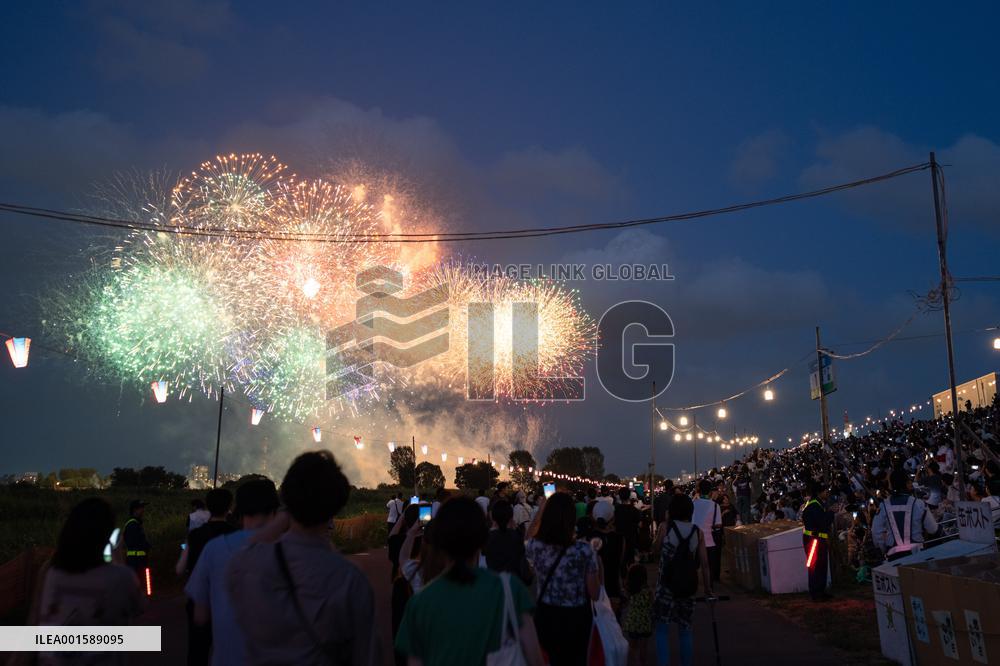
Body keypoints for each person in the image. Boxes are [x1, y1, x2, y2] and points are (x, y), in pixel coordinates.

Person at [227, 451, 377, 665]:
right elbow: (367, 656)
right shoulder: (349, 580)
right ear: (337, 504)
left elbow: (249, 547)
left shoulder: (246, 564)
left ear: (285, 499)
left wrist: (288, 510)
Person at [396, 496, 544, 666]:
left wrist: (412, 532)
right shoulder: (510, 589)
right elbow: (535, 659)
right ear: (483, 538)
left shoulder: (418, 604)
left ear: (439, 539)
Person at [36, 497, 144, 663]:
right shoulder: (120, 577)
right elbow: (139, 607)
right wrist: (117, 554)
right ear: (106, 535)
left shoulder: (51, 572)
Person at [186, 480, 278, 666]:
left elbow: (200, 615)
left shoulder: (214, 548)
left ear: (238, 510)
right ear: (275, 511)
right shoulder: (289, 551)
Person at [525, 492, 600, 666]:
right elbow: (595, 593)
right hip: (576, 617)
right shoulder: (584, 550)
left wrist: (541, 510)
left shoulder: (537, 547)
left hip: (546, 615)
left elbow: (527, 537)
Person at [653, 494, 711, 666]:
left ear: (671, 510)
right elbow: (705, 563)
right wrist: (707, 588)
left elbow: (655, 550)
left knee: (662, 629)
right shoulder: (697, 532)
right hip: (688, 586)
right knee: (685, 630)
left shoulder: (665, 528)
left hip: (666, 586)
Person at [182, 488, 236, 666]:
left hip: (199, 598)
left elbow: (180, 568)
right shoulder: (235, 534)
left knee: (197, 650)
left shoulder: (195, 535)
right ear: (229, 507)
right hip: (226, 600)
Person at [872, 468, 939, 561]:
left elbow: (876, 533)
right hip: (918, 555)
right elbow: (933, 529)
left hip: (894, 557)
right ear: (907, 484)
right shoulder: (919, 504)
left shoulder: (883, 506)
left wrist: (884, 548)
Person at [485, 500, 532, 585]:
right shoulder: (516, 536)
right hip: (514, 583)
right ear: (511, 517)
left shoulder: (487, 537)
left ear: (493, 517)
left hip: (494, 583)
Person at [801, 483, 834, 601]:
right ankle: (816, 593)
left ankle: (820, 591)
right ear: (820, 492)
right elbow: (822, 522)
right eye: (825, 491)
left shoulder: (816, 504)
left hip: (817, 539)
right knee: (815, 566)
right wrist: (831, 513)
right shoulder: (814, 506)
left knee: (821, 566)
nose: (827, 493)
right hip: (814, 540)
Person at [591, 500, 625, 606]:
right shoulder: (619, 538)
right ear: (612, 518)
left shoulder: (589, 538)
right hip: (613, 588)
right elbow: (621, 562)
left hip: (594, 589)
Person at [621, 563, 652, 666]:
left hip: (633, 623)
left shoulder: (630, 591)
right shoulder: (648, 591)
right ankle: (643, 662)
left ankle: (636, 661)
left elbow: (625, 603)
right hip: (645, 623)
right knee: (644, 646)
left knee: (633, 646)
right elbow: (652, 604)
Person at [692, 480, 722, 583]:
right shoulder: (715, 506)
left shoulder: (693, 504)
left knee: (694, 567)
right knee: (709, 567)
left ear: (698, 490)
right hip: (710, 541)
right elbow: (718, 524)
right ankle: (709, 588)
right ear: (710, 491)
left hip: (695, 541)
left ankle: (693, 586)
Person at [614, 487, 641, 572]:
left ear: (619, 496)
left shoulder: (616, 510)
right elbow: (639, 524)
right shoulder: (635, 510)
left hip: (619, 537)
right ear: (629, 496)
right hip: (631, 537)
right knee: (630, 558)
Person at [122, 499, 150, 579]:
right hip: (135, 563)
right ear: (135, 510)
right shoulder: (132, 524)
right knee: (138, 584)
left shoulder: (136, 523)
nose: (143, 510)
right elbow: (136, 543)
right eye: (141, 508)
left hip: (138, 562)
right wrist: (146, 545)